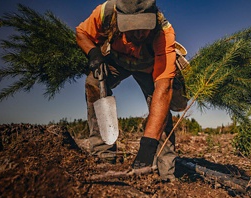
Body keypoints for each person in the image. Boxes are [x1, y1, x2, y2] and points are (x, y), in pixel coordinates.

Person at [76, 0, 187, 181]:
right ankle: (103, 155)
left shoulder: (163, 32)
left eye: (144, 27)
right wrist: (93, 53)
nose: (139, 33)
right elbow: (81, 33)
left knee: (160, 110)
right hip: (118, 61)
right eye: (132, 27)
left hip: (149, 69)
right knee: (94, 83)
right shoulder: (106, 12)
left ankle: (166, 171)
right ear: (119, 18)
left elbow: (163, 87)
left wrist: (147, 145)